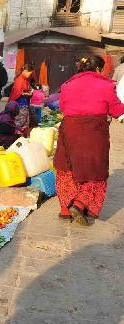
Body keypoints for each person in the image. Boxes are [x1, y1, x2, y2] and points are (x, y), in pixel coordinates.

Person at [54, 55, 124, 225]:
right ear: (99, 69)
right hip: (93, 130)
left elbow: (63, 107)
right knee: (94, 168)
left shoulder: (67, 84)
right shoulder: (106, 85)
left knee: (67, 167)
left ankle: (65, 209)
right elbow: (116, 110)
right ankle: (80, 204)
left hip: (69, 128)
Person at [9, 64, 35, 133]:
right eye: (30, 73)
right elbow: (18, 92)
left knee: (25, 122)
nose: (30, 75)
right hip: (20, 104)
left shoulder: (25, 79)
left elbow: (24, 90)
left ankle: (23, 137)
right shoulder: (20, 79)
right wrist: (27, 93)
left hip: (24, 103)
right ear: (26, 71)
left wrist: (30, 92)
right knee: (20, 122)